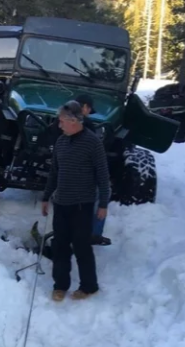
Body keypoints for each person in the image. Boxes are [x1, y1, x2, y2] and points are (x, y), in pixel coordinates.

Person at [41, 100, 110, 301]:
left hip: (82, 205)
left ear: (73, 121)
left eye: (61, 121)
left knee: (81, 247)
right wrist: (46, 197)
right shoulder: (61, 142)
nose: (59, 125)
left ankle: (89, 286)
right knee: (60, 246)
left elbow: (103, 176)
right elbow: (54, 172)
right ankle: (60, 285)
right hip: (61, 203)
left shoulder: (92, 142)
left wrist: (103, 204)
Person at [74, 93, 112, 246]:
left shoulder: (61, 121)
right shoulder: (86, 125)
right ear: (84, 107)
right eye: (88, 109)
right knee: (101, 192)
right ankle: (93, 234)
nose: (89, 112)